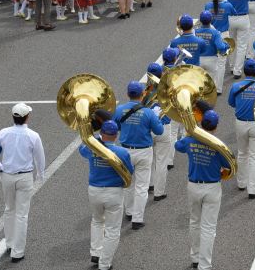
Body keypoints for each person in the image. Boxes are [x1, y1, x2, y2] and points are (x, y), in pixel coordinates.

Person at [0, 103, 46, 263]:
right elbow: (40, 158)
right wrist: (41, 174)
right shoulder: (33, 135)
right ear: (27, 117)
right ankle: (17, 252)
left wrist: (0, 168)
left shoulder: (3, 133)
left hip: (7, 176)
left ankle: (9, 243)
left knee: (9, 209)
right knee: (21, 214)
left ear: (13, 117)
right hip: (25, 177)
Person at [175, 110, 231, 270]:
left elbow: (178, 145)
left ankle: (195, 257)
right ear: (216, 127)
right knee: (208, 227)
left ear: (201, 124)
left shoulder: (191, 139)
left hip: (193, 185)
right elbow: (229, 166)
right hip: (212, 187)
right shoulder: (219, 145)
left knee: (194, 222)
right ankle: (204, 264)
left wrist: (188, 132)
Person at [79, 119, 134, 270]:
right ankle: (104, 263)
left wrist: (95, 138)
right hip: (114, 192)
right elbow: (130, 171)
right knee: (113, 230)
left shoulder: (92, 148)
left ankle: (96, 252)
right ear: (116, 135)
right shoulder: (122, 152)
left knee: (97, 221)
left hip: (94, 190)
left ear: (102, 133)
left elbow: (81, 149)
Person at [114, 81, 164, 230]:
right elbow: (159, 131)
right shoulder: (148, 112)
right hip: (143, 151)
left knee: (128, 183)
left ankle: (128, 211)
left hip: (124, 151)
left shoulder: (119, 109)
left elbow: (115, 127)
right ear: (143, 94)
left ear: (128, 94)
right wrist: (157, 117)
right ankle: (137, 218)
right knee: (142, 186)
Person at [228, 59, 255, 199]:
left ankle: (241, 183)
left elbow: (231, 103)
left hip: (240, 123)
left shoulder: (236, 86)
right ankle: (253, 189)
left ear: (244, 71)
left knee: (242, 153)